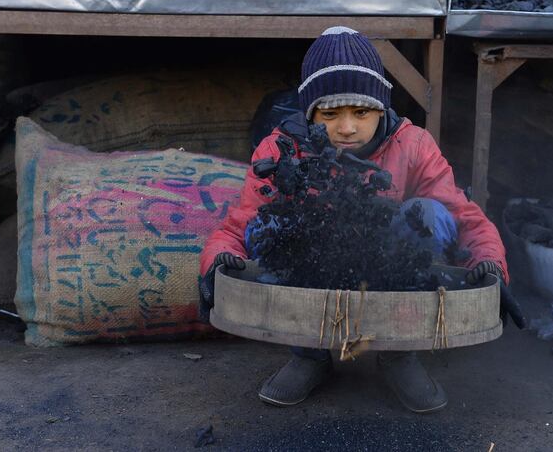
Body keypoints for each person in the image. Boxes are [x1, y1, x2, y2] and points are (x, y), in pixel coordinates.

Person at [199, 26, 508, 414]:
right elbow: (238, 224)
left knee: (429, 215)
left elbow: (463, 217)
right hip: (314, 263)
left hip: (389, 263)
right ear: (311, 112)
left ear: (380, 108)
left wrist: (489, 263)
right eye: (330, 114)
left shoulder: (412, 144)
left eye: (362, 112)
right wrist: (217, 261)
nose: (347, 128)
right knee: (268, 226)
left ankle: (398, 353)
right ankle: (309, 354)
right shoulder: (282, 150)